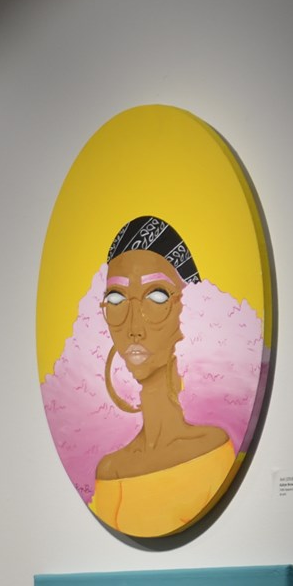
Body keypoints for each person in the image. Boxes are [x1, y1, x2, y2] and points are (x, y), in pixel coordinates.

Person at [86, 217, 236, 536]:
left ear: (186, 308)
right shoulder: (110, 470)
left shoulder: (211, 448)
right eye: (116, 300)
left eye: (157, 297)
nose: (134, 328)